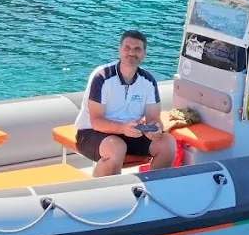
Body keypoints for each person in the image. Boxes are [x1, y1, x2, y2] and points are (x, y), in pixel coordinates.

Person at [75, 30, 177, 178]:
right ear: (120, 50)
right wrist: (122, 128)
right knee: (116, 147)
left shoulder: (148, 81)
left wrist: (155, 129)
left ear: (144, 54)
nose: (131, 53)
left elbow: (153, 117)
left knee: (168, 143)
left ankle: (153, 189)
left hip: (131, 132)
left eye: (137, 49)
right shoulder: (102, 77)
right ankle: (102, 193)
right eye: (127, 48)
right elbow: (96, 121)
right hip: (91, 133)